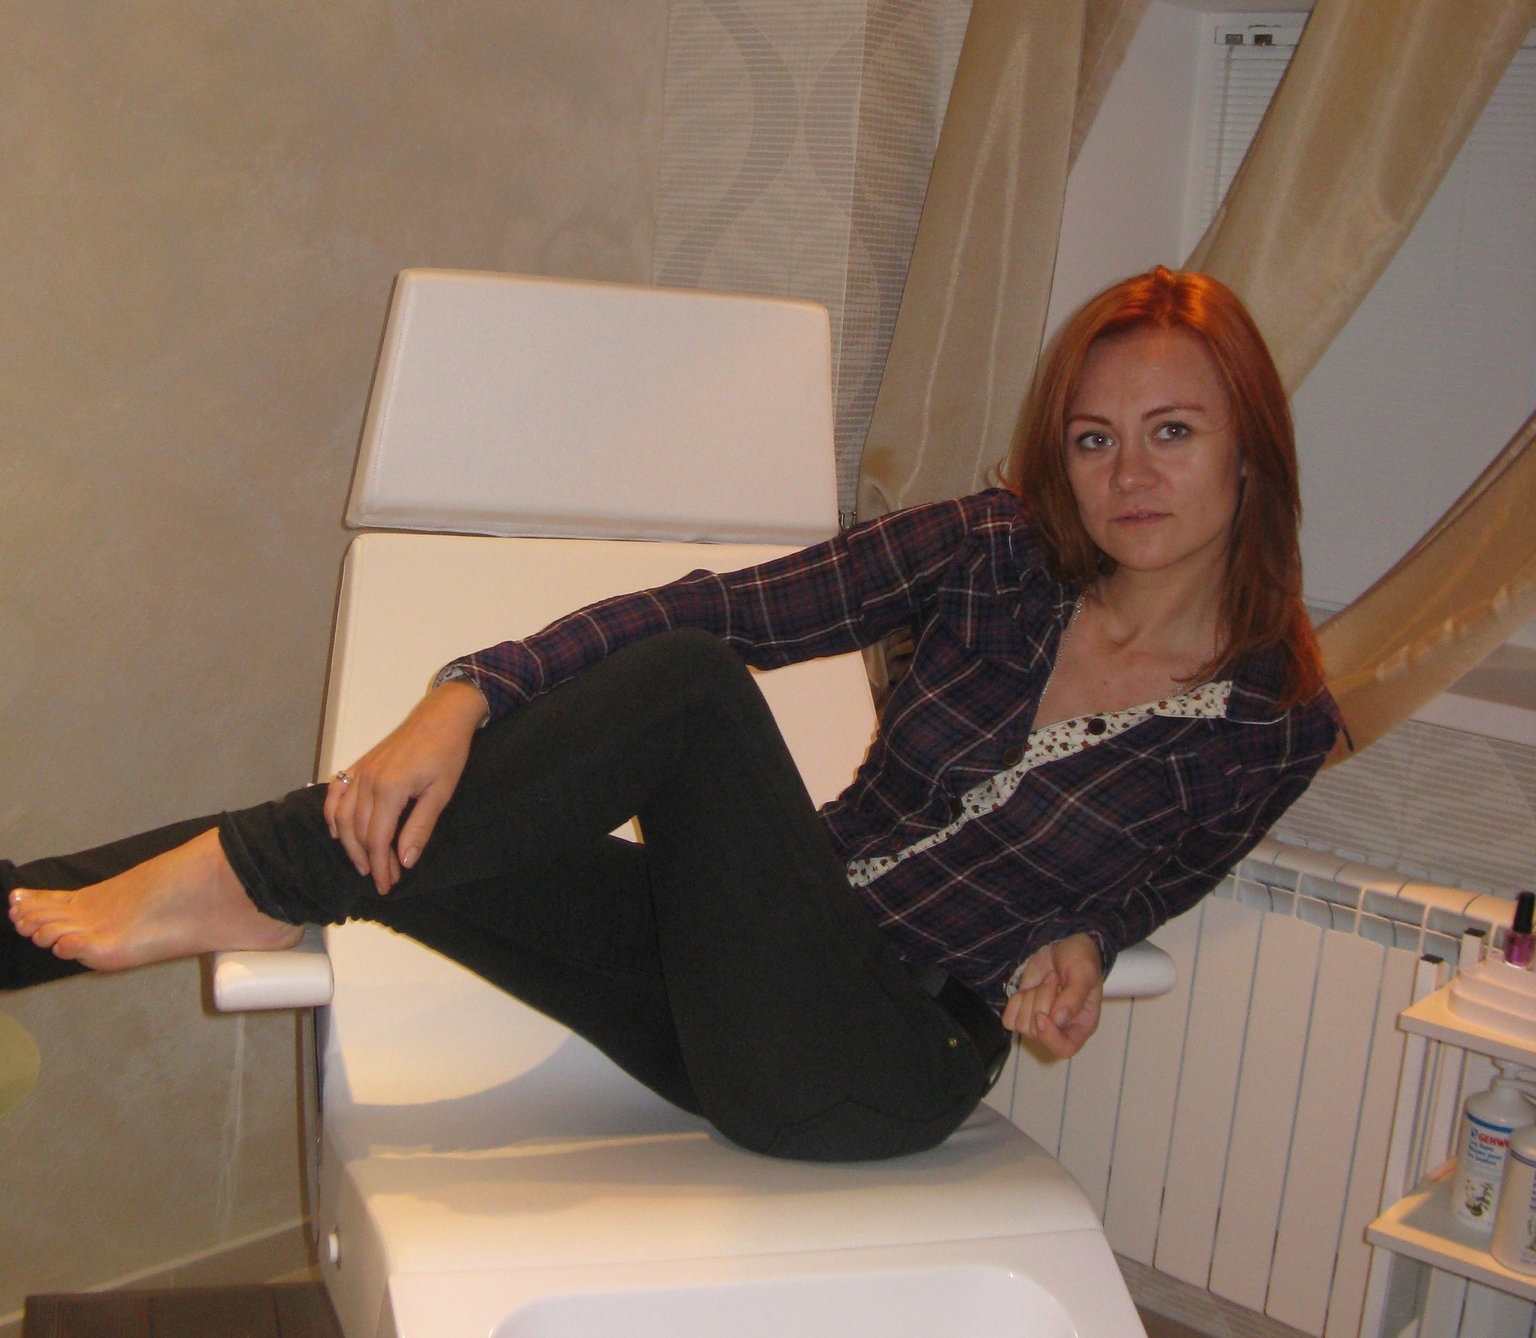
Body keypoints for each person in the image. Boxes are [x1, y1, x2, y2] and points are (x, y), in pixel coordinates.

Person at [4, 268, 1340, 1161]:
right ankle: (64, 915)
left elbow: (1163, 880)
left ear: (1251, 447)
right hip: (724, 986)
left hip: (876, 1060)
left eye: (1173, 431)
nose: (1127, 473)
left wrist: (1091, 937)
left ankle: (249, 880)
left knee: (692, 693)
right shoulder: (996, 552)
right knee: (394, 831)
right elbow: (730, 606)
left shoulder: (1273, 723)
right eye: (1095, 438)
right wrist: (471, 692)